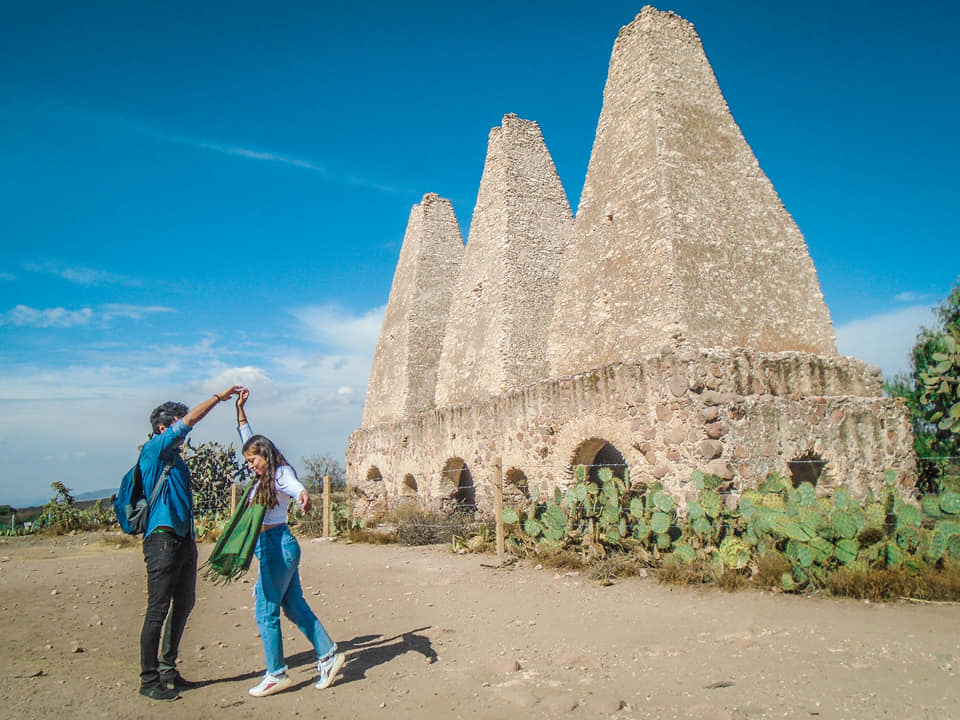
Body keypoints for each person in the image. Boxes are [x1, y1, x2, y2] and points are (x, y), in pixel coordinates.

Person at [235, 388, 345, 697]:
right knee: (293, 605)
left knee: (265, 610)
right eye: (247, 461)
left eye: (253, 460)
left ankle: (276, 673)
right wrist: (240, 410)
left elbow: (296, 487)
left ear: (265, 456)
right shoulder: (262, 476)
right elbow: (249, 437)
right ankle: (329, 655)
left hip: (276, 545)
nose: (249, 465)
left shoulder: (280, 473)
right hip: (277, 547)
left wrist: (304, 496)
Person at [138, 385, 244, 701]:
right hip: (161, 539)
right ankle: (148, 679)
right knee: (157, 610)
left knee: (184, 603)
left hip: (183, 540)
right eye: (178, 423)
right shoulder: (154, 450)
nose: (184, 428)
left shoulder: (178, 461)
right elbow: (189, 422)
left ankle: (167, 669)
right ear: (163, 427)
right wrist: (217, 399)